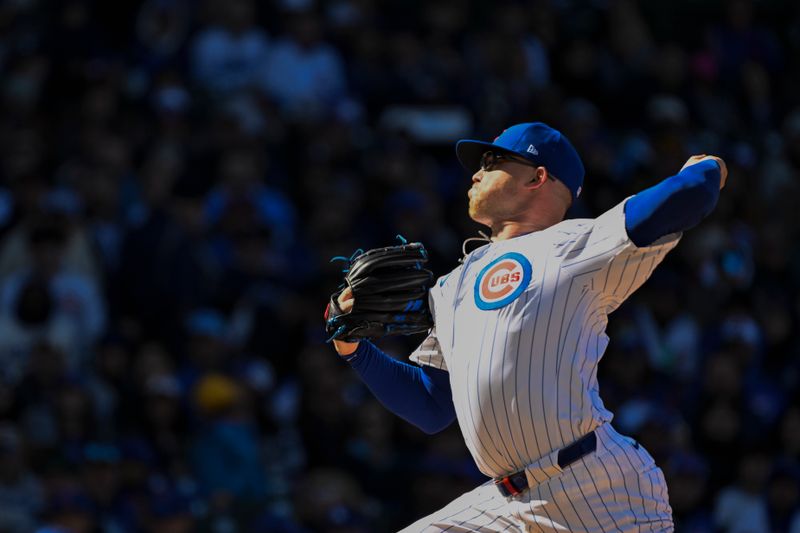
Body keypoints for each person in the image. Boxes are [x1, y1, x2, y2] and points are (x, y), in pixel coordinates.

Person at [331, 122, 726, 532]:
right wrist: (355, 351)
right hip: (505, 502)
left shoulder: (578, 244)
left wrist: (710, 165)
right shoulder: (452, 286)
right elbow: (431, 406)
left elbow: (693, 191)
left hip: (597, 488)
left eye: (493, 161)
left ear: (538, 177)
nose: (476, 173)